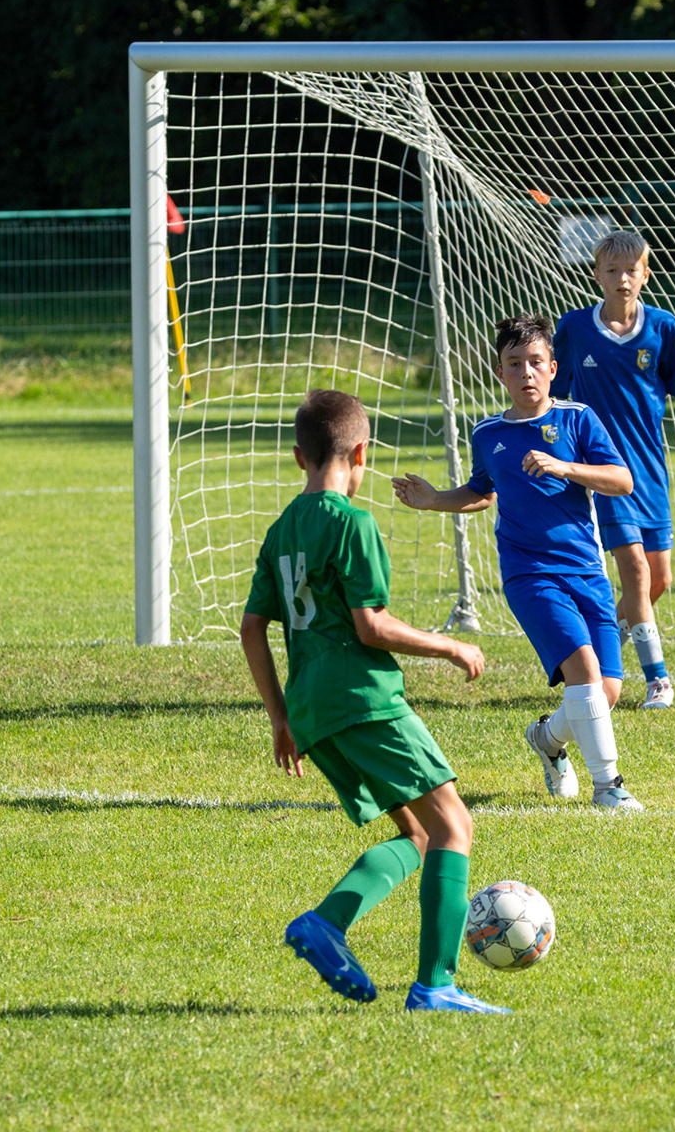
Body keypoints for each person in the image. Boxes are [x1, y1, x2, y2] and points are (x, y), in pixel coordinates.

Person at [240, 388, 509, 1014]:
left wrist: (281, 718)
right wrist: (448, 645)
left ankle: (327, 925)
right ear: (362, 453)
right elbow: (371, 626)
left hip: (312, 710)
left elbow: (252, 628)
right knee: (455, 826)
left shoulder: (281, 531)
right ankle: (435, 986)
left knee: (418, 834)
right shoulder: (352, 523)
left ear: (299, 457)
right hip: (363, 698)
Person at [392, 314, 646, 813]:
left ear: (553, 368)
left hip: (587, 570)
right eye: (514, 363)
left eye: (535, 362)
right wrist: (435, 499)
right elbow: (482, 492)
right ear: (500, 372)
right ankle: (608, 786)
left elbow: (622, 481)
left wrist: (565, 467)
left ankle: (547, 740)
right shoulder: (488, 432)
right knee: (584, 669)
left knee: (606, 691)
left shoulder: (578, 419)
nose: (526, 372)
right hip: (529, 573)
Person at [550, 229, 675, 709]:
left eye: (631, 270)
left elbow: (670, 385)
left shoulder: (664, 327)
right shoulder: (574, 328)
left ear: (645, 274)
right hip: (604, 469)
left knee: (659, 579)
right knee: (634, 570)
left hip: (650, 467)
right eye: (612, 270)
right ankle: (658, 679)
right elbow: (556, 394)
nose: (622, 279)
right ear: (596, 275)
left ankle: (596, 647)